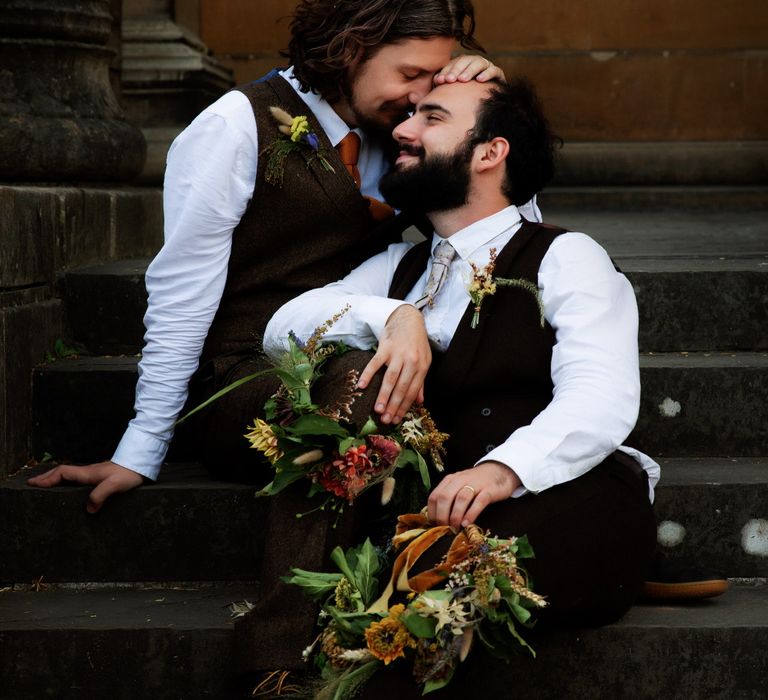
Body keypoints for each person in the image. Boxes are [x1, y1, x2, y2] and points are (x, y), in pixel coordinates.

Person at [27, 0, 535, 511]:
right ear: (350, 49)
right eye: (411, 73)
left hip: (382, 352)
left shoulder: (407, 132)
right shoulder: (233, 126)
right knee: (369, 388)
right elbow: (181, 299)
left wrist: (491, 107)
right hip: (246, 377)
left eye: (436, 76)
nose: (421, 94)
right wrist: (142, 449)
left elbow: (503, 239)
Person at [264, 77, 661, 649]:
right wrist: (393, 318)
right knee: (398, 595)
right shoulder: (400, 267)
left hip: (570, 501)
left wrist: (501, 472)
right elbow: (283, 331)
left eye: (431, 117)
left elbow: (601, 395)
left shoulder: (566, 255)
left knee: (432, 597)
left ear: (489, 152)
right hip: (440, 514)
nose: (401, 129)